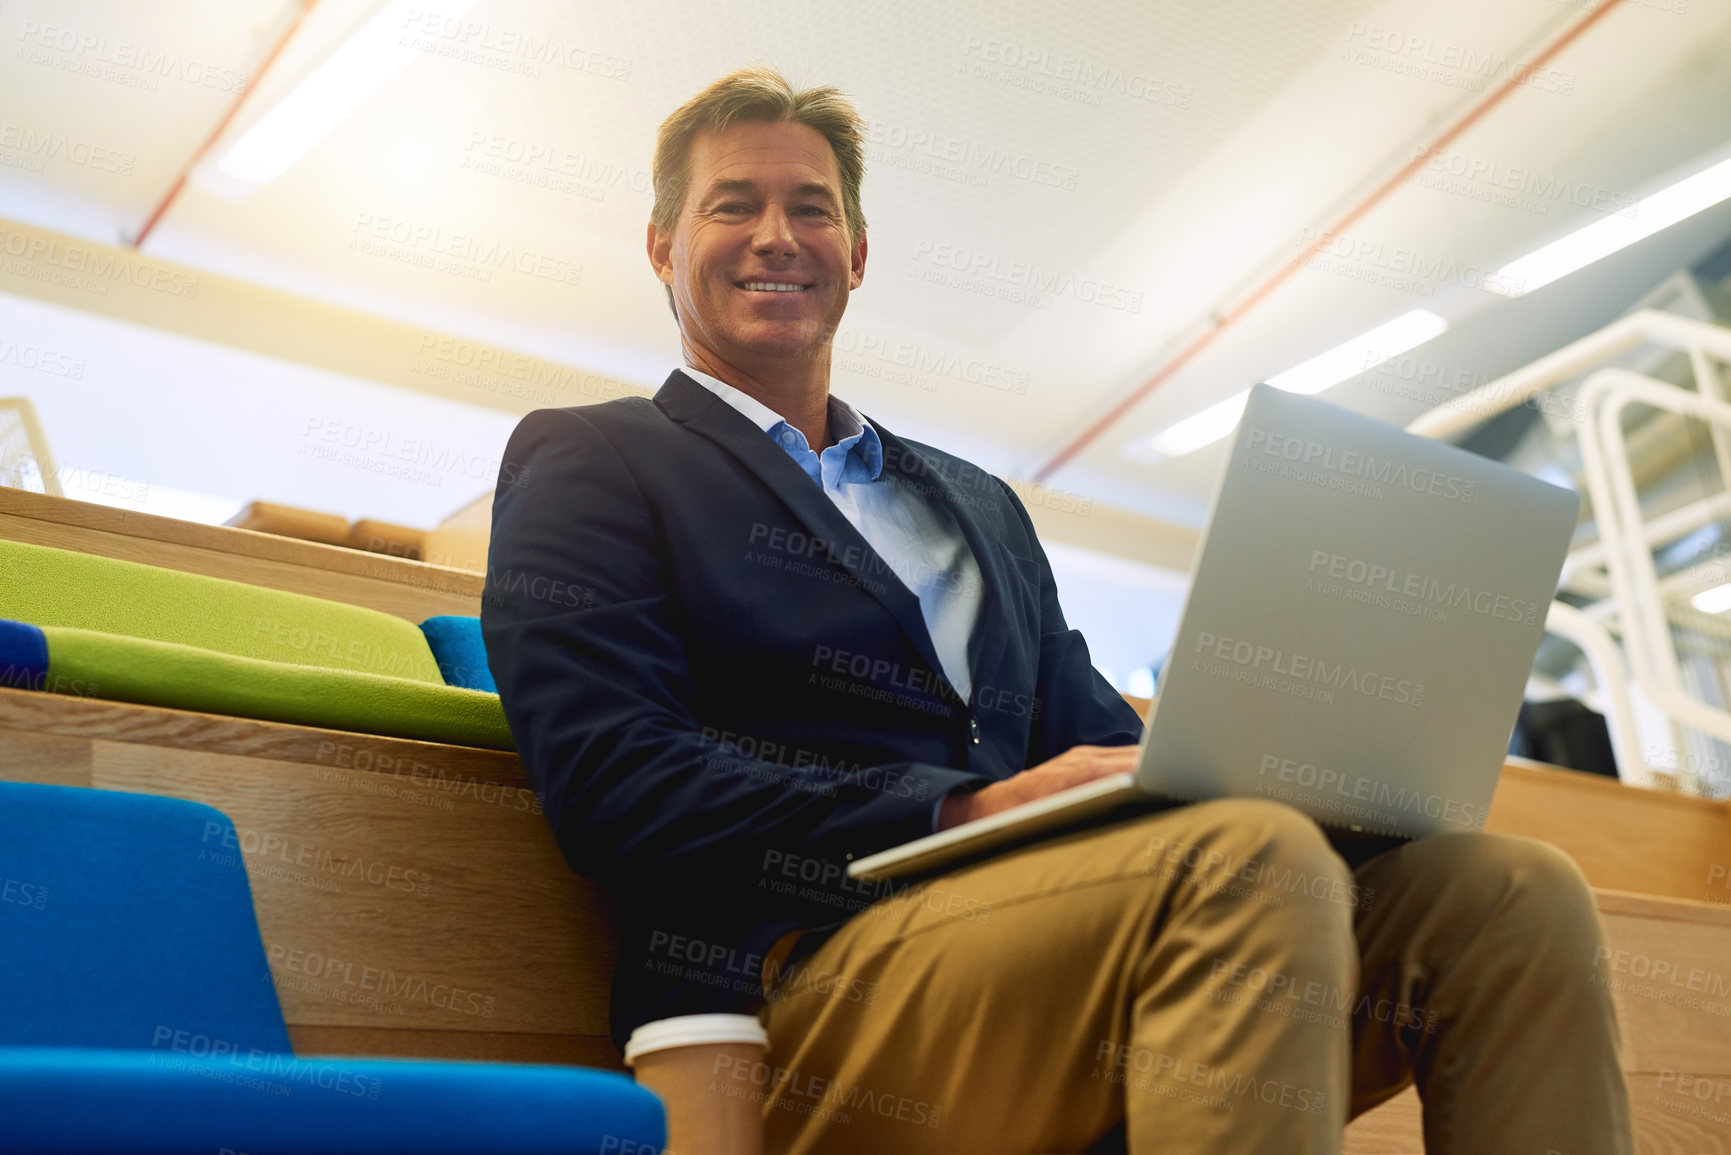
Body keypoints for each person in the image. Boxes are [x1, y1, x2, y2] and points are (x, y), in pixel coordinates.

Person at [480, 66, 1632, 1155]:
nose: (779, 235)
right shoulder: (594, 458)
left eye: (813, 210)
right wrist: (965, 807)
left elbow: (1103, 749)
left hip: (1066, 931)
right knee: (1242, 864)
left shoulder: (977, 505)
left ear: (860, 254)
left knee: (1509, 893)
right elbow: (612, 781)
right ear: (661, 246)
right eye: (734, 205)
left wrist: (1304, 776)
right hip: (799, 970)